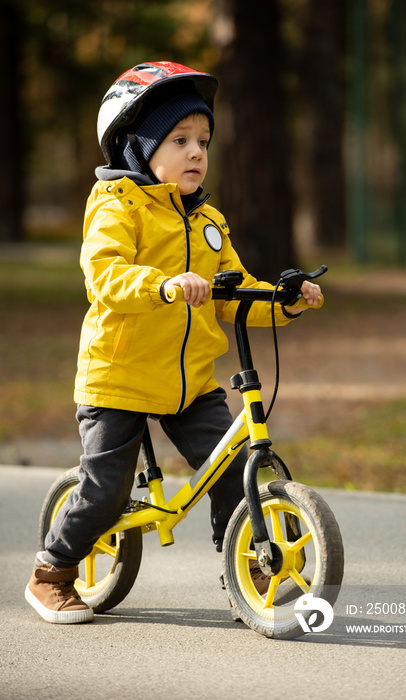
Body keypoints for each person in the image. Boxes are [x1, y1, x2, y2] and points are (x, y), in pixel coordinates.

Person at [25, 61, 322, 624]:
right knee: (107, 488)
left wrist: (285, 298)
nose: (196, 153)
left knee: (235, 470)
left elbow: (232, 293)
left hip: (188, 382)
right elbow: (105, 277)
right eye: (180, 140)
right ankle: (53, 570)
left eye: (203, 141)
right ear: (137, 148)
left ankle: (248, 570)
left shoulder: (209, 219)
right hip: (118, 377)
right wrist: (162, 285)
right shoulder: (116, 206)